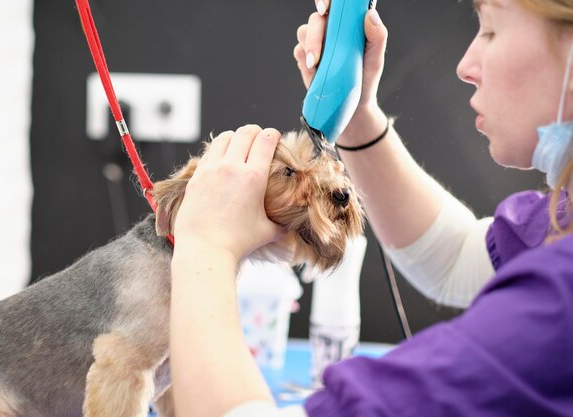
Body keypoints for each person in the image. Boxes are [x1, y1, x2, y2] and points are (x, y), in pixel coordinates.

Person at [169, 0, 573, 416]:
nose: (466, 65)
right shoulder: (563, 226)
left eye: (491, 31)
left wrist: (204, 248)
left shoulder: (561, 297)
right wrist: (357, 112)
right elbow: (458, 259)